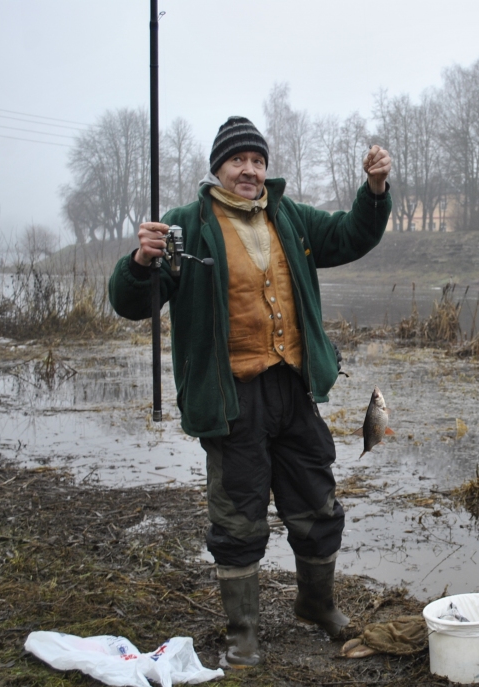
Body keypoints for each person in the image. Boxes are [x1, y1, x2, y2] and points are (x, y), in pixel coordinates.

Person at [108, 116, 391, 669]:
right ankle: (243, 631)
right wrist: (141, 261)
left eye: (258, 161)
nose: (250, 170)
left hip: (294, 388)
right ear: (219, 167)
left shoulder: (290, 218)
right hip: (232, 397)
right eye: (239, 160)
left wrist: (375, 191)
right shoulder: (185, 227)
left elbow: (352, 234)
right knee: (237, 519)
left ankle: (318, 605)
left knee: (317, 501)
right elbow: (128, 302)